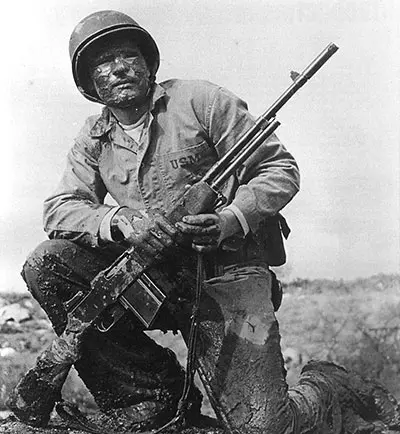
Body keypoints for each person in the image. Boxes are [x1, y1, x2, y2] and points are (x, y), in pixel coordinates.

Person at [8, 10, 400, 434]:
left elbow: (279, 169)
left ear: (148, 62)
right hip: (155, 278)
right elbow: (60, 207)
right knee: (48, 264)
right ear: (88, 84)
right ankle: (148, 396)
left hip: (226, 277)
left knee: (267, 429)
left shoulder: (200, 101)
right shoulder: (93, 137)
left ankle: (328, 387)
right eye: (104, 62)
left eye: (128, 55)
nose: (120, 67)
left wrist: (230, 219)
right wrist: (121, 221)